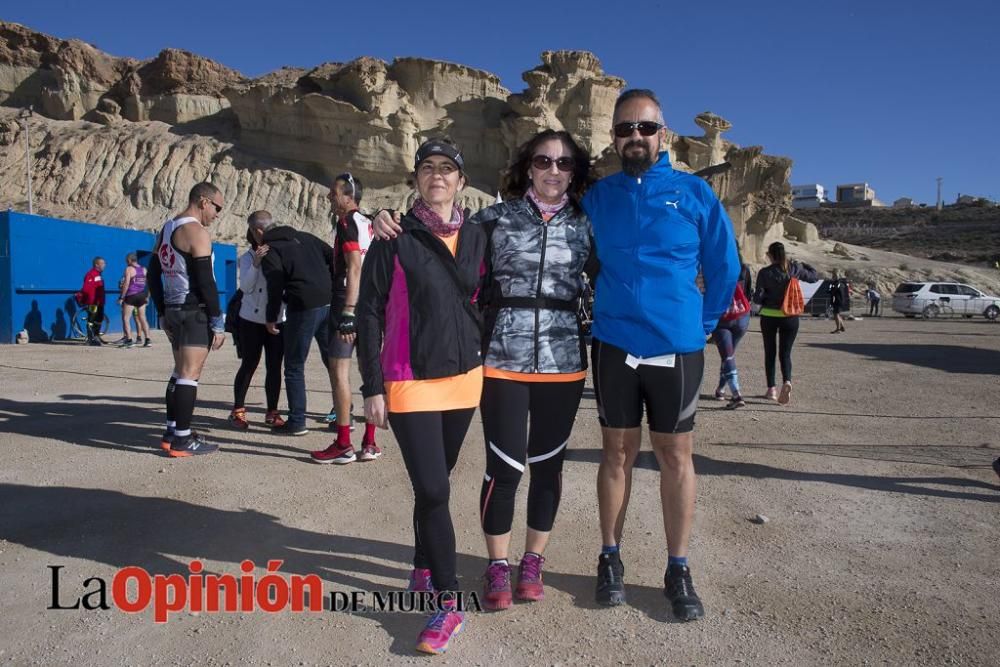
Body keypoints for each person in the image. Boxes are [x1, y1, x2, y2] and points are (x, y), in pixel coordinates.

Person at [373, 130, 598, 609]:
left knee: (548, 468)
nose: (553, 171)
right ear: (527, 166)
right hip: (501, 360)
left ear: (575, 173)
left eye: (564, 164)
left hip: (564, 360)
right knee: (506, 467)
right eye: (542, 160)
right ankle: (497, 564)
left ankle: (532, 560)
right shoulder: (493, 220)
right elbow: (440, 232)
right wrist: (385, 217)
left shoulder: (589, 223)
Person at [583, 89, 740, 620]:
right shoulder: (599, 197)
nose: (635, 137)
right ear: (614, 136)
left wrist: (698, 325)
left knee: (676, 456)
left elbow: (725, 267)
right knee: (616, 454)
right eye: (625, 129)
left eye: (645, 128)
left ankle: (678, 566)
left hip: (676, 347)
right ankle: (610, 558)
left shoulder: (693, 193)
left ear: (663, 135)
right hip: (614, 344)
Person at [357, 138, 487, 655]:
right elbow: (367, 312)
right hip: (407, 379)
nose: (438, 175)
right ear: (416, 178)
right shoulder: (391, 236)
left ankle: (420, 563)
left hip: (464, 380)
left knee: (436, 482)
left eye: (447, 168)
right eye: (428, 167)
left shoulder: (479, 234)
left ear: (461, 180)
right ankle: (448, 602)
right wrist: (370, 387)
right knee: (434, 489)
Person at [147, 182, 226, 457]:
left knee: (179, 371)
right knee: (190, 375)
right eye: (217, 207)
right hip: (194, 310)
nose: (217, 214)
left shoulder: (167, 229)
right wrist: (217, 320)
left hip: (173, 308)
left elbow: (152, 274)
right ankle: (182, 438)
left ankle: (172, 431)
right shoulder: (196, 232)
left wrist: (160, 310)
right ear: (203, 201)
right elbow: (206, 281)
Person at [311, 173, 379, 464]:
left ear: (349, 196)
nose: (329, 197)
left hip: (347, 303)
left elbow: (353, 268)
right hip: (372, 305)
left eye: (333, 192)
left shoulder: (346, 223)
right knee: (369, 373)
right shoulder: (369, 223)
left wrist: (348, 312)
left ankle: (343, 443)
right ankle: (370, 443)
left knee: (339, 372)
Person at [259, 210, 337, 437]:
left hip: (303, 306)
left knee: (294, 366)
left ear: (259, 231)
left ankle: (297, 421)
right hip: (328, 302)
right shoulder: (307, 237)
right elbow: (334, 256)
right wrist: (330, 283)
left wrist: (270, 317)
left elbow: (274, 285)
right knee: (333, 361)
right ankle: (344, 416)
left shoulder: (271, 250)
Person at [228, 211, 287, 431]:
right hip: (250, 319)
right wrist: (257, 262)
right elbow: (246, 287)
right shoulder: (246, 257)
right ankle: (238, 409)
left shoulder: (281, 252)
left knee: (274, 367)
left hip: (278, 319)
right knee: (249, 364)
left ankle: (272, 411)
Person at [753, 241, 818, 405]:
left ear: (770, 255)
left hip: (769, 316)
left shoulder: (764, 272)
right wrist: (804, 264)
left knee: (770, 352)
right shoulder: (794, 269)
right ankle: (787, 381)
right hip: (790, 316)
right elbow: (814, 277)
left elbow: (757, 298)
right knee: (785, 353)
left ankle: (771, 389)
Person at [712, 261, 752, 409]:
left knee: (727, 356)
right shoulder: (743, 268)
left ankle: (737, 395)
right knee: (728, 355)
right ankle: (721, 389)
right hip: (742, 316)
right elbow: (747, 292)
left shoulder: (714, 266)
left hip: (723, 318)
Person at [115, 253, 151, 348]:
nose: (126, 263)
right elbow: (148, 284)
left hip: (131, 295)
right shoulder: (144, 270)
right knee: (143, 318)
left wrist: (121, 297)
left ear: (130, 260)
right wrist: (147, 296)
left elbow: (126, 284)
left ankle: (129, 340)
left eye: (127, 261)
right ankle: (148, 340)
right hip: (142, 295)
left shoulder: (129, 269)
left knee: (126, 318)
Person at [80, 257, 107, 346]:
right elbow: (86, 289)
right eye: (102, 263)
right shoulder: (91, 274)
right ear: (96, 265)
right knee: (91, 319)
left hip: (100, 302)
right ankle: (90, 339)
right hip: (93, 303)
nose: (104, 265)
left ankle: (96, 335)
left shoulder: (99, 275)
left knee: (99, 318)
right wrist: (92, 300)